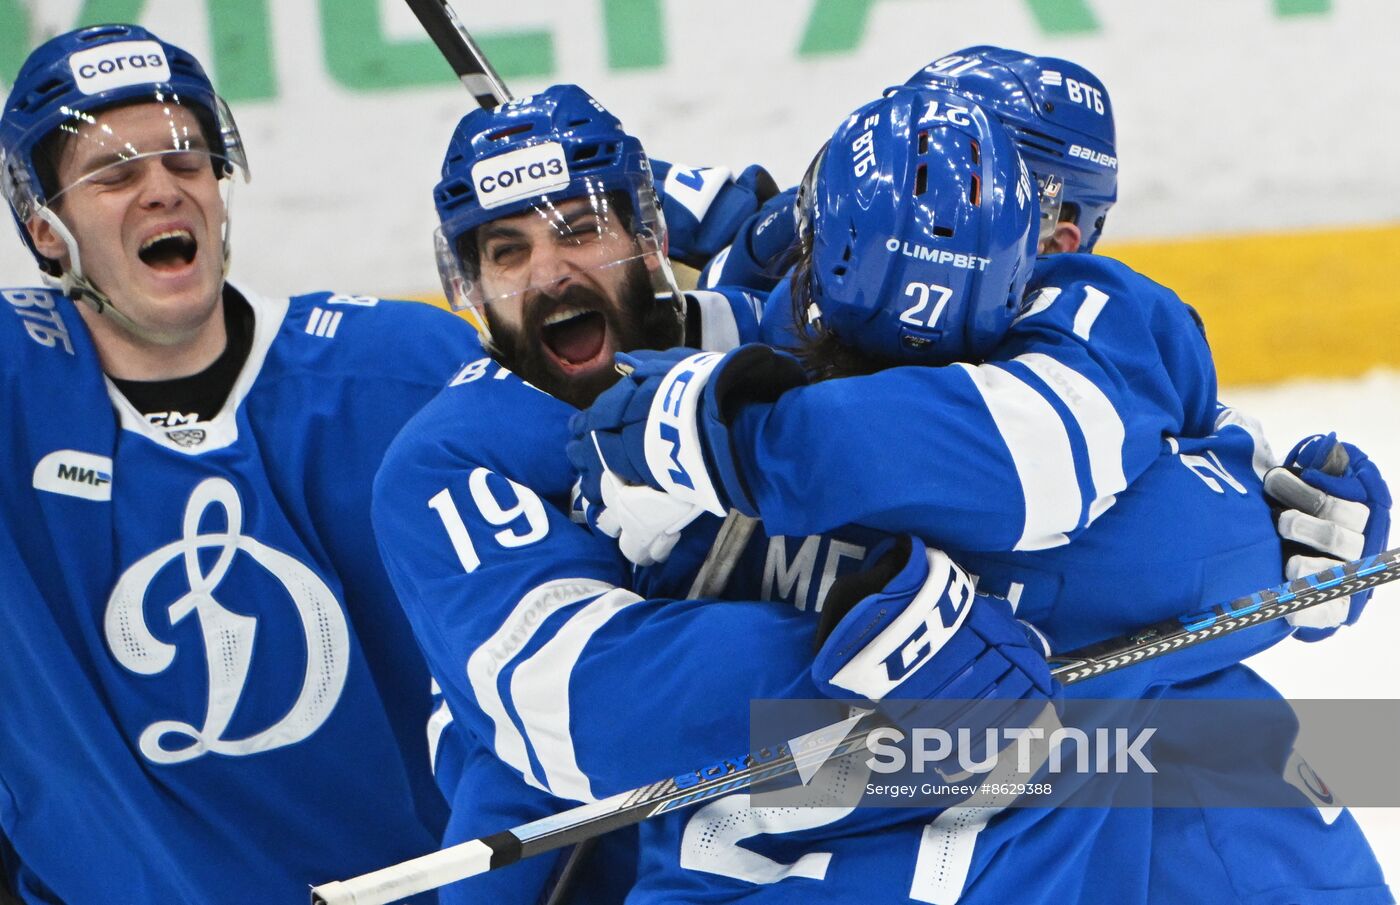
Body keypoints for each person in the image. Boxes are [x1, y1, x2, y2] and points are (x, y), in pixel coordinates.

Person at [568, 83, 1391, 902]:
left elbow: (1080, 486)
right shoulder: (742, 382)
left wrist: (735, 436)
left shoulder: (1086, 340)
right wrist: (1267, 545)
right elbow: (1180, 551)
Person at [0, 24, 483, 902]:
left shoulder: (407, 371)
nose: (163, 189)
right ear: (47, 231)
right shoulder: (13, 392)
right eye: (114, 174)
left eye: (186, 160)